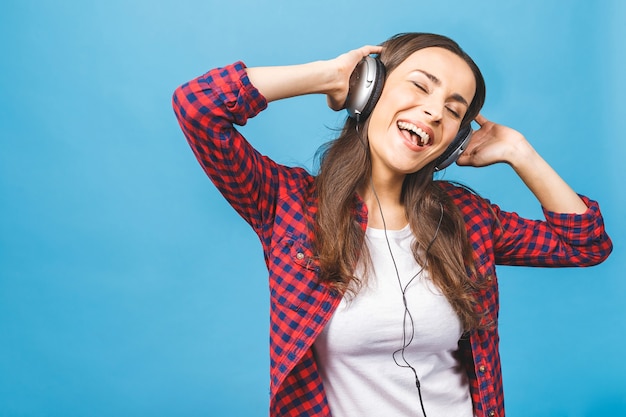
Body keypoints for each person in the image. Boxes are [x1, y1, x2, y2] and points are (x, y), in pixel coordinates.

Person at [172, 33, 612, 417]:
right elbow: (197, 107)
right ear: (369, 89)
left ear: (456, 138)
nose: (435, 112)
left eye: (453, 110)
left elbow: (585, 245)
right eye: (420, 86)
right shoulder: (287, 204)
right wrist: (325, 75)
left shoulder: (466, 216)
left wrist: (519, 151)